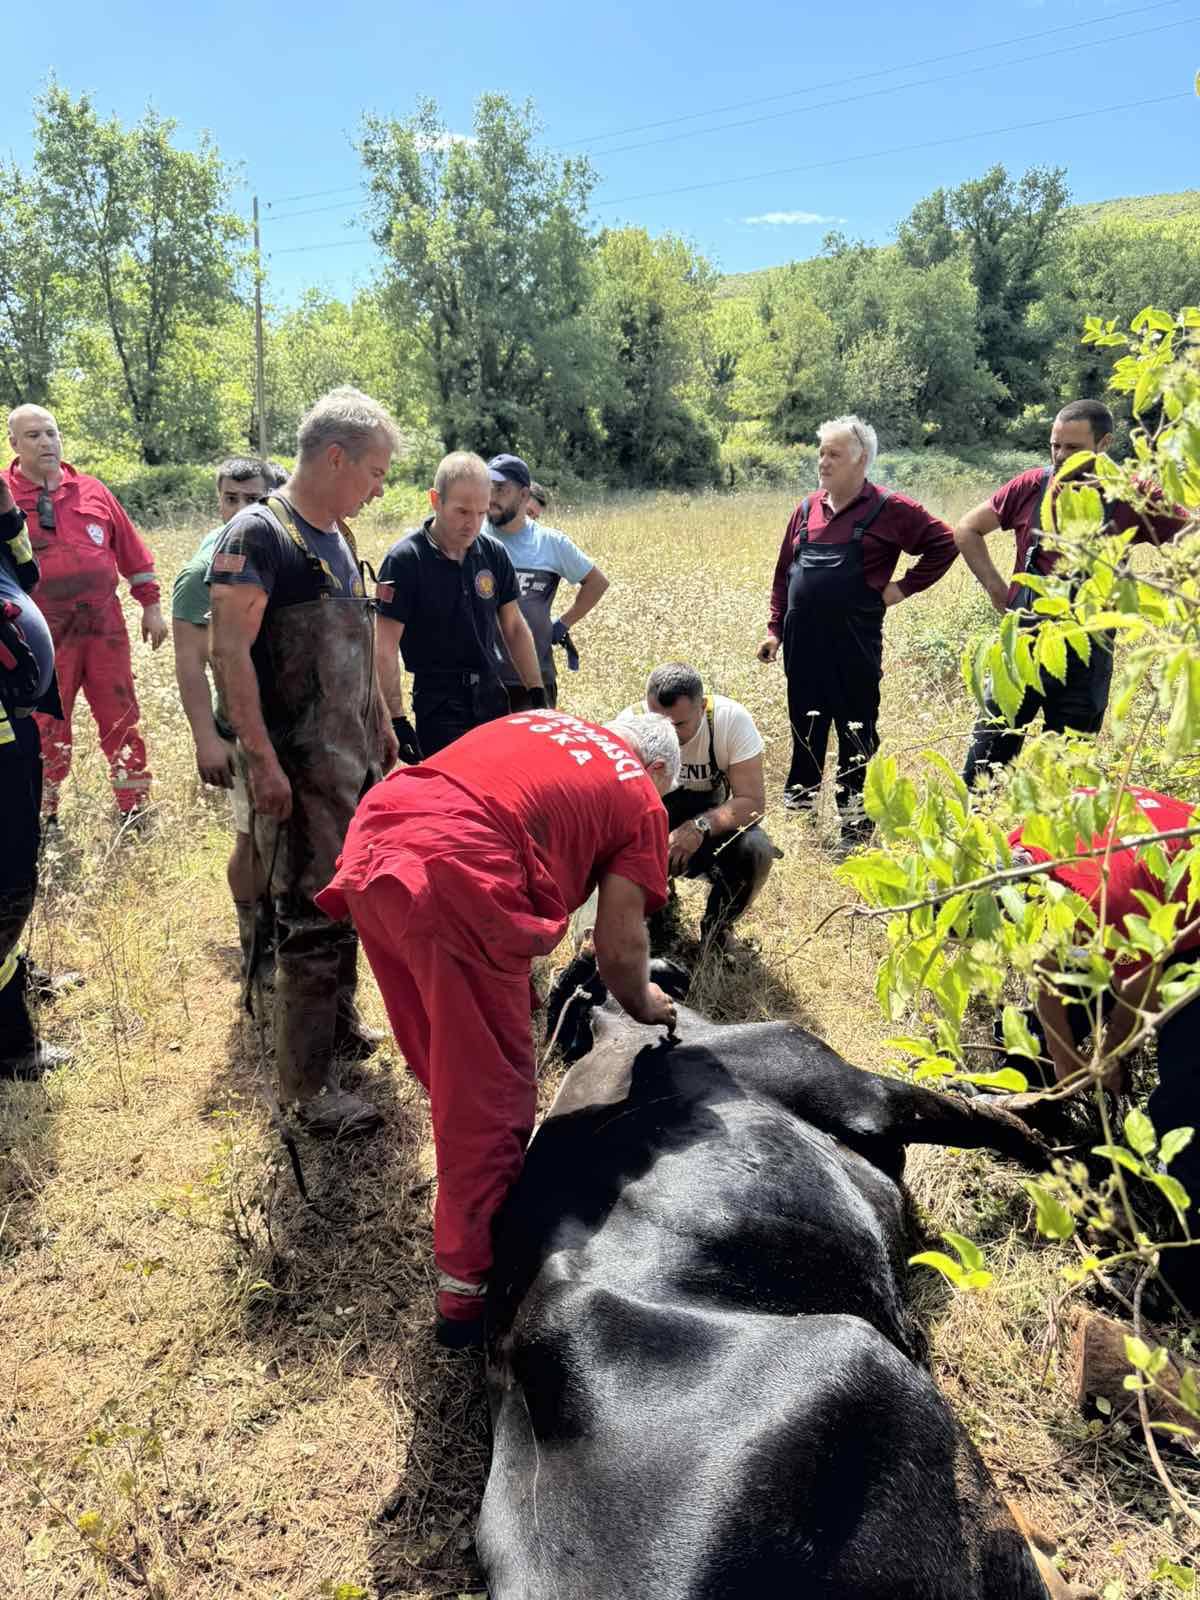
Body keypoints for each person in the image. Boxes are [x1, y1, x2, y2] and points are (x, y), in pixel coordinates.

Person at [316, 708, 681, 1346]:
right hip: (456, 872)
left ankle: (469, 1182)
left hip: (378, 837)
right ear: (653, 769)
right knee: (491, 1097)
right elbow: (620, 948)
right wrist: (647, 1003)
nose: (660, 804)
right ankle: (470, 1293)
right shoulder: (640, 793)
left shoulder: (549, 722)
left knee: (443, 1051)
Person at [209, 388, 400, 1139]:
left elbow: (357, 643)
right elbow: (229, 652)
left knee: (346, 899)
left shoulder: (339, 536)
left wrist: (381, 724)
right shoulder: (262, 533)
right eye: (375, 471)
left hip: (350, 761)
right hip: (297, 769)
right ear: (335, 457)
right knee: (310, 920)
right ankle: (307, 1092)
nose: (379, 488)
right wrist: (260, 760)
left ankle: (337, 1028)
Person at [1010, 786, 1199, 1309]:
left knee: (1186, 1107)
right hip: (1147, 910)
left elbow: (1141, 993)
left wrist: (1110, 1057)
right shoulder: (1020, 849)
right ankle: (1035, 1110)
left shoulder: (1104, 902)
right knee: (1037, 1025)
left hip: (1186, 932)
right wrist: (1065, 1061)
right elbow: (1044, 968)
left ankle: (1185, 1280)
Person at [957, 399, 1186, 788]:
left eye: (1073, 447)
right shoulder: (1033, 485)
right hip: (1023, 644)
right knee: (985, 764)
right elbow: (967, 529)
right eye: (1055, 445)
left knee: (1067, 778)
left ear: (1105, 443)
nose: (1061, 455)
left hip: (1088, 652)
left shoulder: (1132, 494)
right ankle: (977, 825)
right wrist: (998, 589)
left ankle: (1046, 829)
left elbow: (1190, 535)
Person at [758, 415, 957, 850]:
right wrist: (775, 630)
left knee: (856, 737)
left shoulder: (890, 508)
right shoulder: (806, 509)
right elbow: (783, 574)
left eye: (834, 454)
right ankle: (801, 831)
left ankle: (854, 832)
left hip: (854, 651)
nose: (823, 462)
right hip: (803, 651)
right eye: (821, 453)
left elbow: (946, 543)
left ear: (861, 459)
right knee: (805, 736)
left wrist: (902, 588)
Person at [4, 405, 167, 827]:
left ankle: (133, 808)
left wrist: (151, 605)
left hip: (103, 627)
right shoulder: (4, 498)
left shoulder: (91, 490)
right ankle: (44, 816)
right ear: (14, 444)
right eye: (34, 436)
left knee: (121, 717)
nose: (46, 442)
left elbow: (133, 554)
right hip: (40, 634)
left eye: (51, 433)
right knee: (44, 724)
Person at [374, 451, 546, 761]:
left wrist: (536, 691)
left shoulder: (493, 554)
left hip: (492, 696)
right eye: (463, 511)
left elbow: (514, 627)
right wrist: (396, 718)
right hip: (439, 704)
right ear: (435, 500)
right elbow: (384, 647)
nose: (473, 524)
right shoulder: (405, 561)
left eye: (481, 512)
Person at [172, 458, 272, 977]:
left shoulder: (285, 549)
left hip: (293, 725)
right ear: (219, 501)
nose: (241, 509)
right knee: (250, 837)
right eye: (231, 498)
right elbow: (190, 662)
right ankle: (255, 945)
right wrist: (205, 739)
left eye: (253, 499)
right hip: (238, 731)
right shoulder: (201, 573)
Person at [621, 663, 779, 949]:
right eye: (658, 720)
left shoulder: (729, 721)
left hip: (707, 828)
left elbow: (753, 802)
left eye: (678, 725)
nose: (667, 733)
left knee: (756, 848)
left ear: (702, 706)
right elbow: (611, 816)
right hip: (649, 830)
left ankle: (717, 928)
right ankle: (649, 912)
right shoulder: (629, 727)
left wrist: (699, 827)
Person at [0, 473, 71, 1075]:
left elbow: (27, 573)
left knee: (15, 871)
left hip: (13, 728)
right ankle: (9, 1041)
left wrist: (6, 512)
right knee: (6, 882)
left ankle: (14, 974)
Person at [486, 453, 609, 708]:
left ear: (523, 495)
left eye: (500, 489)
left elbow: (597, 582)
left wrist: (563, 623)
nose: (491, 497)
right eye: (488, 487)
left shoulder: (550, 542)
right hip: (483, 680)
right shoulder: (472, 536)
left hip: (535, 680)